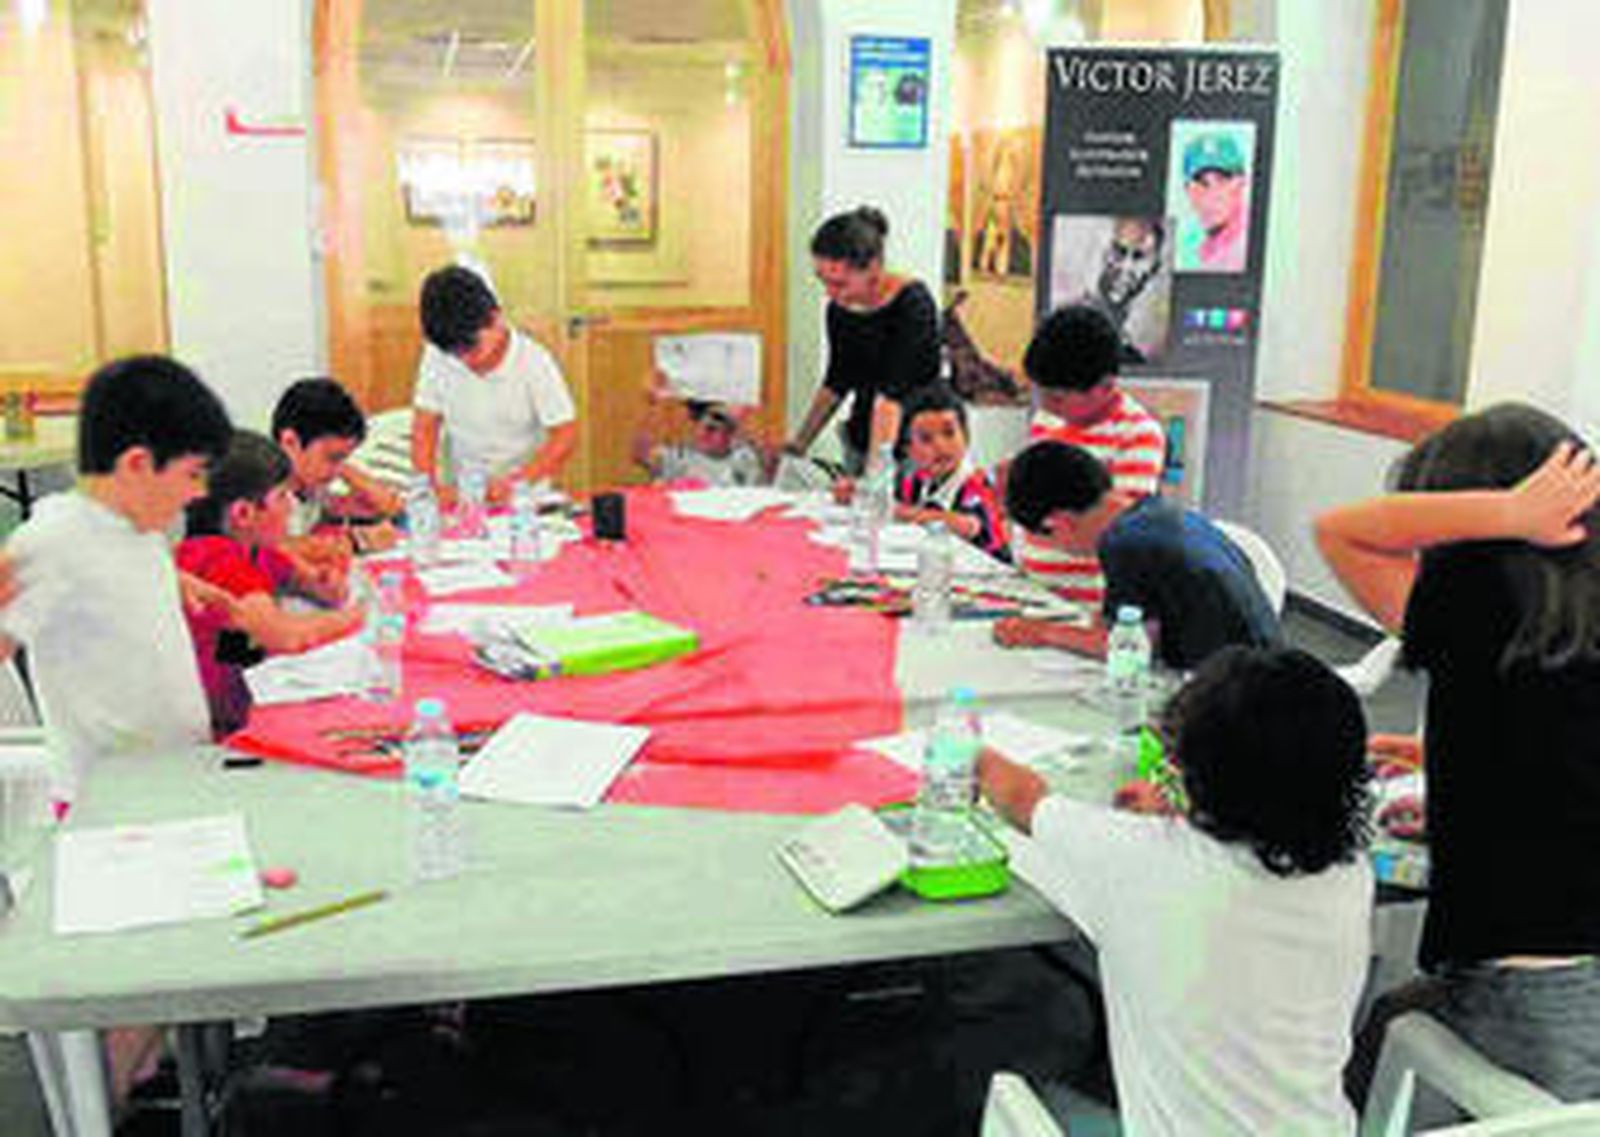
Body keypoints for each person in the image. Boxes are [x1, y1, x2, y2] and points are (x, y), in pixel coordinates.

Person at [1315, 403, 1600, 1101]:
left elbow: (1340, 530)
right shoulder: (1577, 616)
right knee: (1389, 1023)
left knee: (1382, 1042)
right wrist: (1455, 777)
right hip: (1570, 966)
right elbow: (1564, 756)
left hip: (1537, 987)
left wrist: (1506, 513)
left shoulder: (1470, 605)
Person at [979, 646, 1374, 1135]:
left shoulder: (1134, 859)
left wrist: (971, 750)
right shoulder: (1351, 873)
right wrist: (1184, 814)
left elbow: (1020, 798)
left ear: (1199, 776)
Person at [0, 355, 233, 796]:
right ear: (137, 465)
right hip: (103, 796)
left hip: (169, 776)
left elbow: (116, 586)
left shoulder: (142, 530)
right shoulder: (52, 540)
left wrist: (186, 587)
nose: (200, 492)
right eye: (193, 474)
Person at [994, 440, 1279, 669]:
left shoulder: (1123, 543)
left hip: (1233, 691)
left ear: (1057, 523)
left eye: (1049, 540)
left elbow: (1128, 648)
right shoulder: (1153, 513)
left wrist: (1041, 632)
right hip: (1266, 668)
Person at [177, 431, 366, 737]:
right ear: (243, 513)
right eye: (281, 497)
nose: (290, 508)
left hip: (243, 684)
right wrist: (356, 616)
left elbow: (314, 585)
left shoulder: (255, 549)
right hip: (218, 726)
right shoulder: (216, 559)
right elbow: (286, 637)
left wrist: (323, 580)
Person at [1011, 304, 1166, 608]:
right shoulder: (1047, 420)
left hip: (1089, 601)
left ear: (1105, 386)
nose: (1046, 405)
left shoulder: (1137, 433)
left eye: (1057, 397)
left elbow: (1117, 533)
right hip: (1033, 588)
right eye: (1041, 394)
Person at [783, 207, 941, 475]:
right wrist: (799, 444)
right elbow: (837, 380)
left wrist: (876, 472)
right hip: (862, 437)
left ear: (873, 267)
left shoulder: (913, 304)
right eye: (824, 281)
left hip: (916, 445)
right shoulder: (839, 310)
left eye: (840, 283)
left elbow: (892, 395)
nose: (830, 293)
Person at [411, 265, 578, 507]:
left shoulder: (533, 361)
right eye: (456, 354)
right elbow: (424, 428)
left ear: (496, 318)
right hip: (464, 494)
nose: (465, 361)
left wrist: (518, 482)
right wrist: (426, 489)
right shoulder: (438, 356)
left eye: (472, 348)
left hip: (525, 496)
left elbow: (565, 434)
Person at [833, 385, 1009, 562]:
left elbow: (965, 525)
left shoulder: (975, 482)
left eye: (949, 433)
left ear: (966, 436)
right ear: (908, 449)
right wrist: (858, 490)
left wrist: (900, 511)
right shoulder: (919, 480)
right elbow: (885, 495)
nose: (941, 446)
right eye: (926, 439)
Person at [272, 377, 403, 557]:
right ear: (290, 442)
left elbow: (391, 506)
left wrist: (342, 468)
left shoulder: (311, 488)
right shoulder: (264, 490)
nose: (336, 472)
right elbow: (270, 551)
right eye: (332, 457)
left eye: (344, 458)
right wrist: (357, 541)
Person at [632, 371, 769, 488]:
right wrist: (652, 404)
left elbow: (768, 465)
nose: (708, 435)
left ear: (731, 434)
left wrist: (743, 418)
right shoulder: (678, 457)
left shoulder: (743, 458)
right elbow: (641, 453)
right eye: (706, 427)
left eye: (717, 429)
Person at [1177, 132, 1249, 273]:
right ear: (1189, 192)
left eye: (1222, 181)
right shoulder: (1204, 251)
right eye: (1202, 184)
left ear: (1241, 184)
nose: (1212, 195)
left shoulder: (1242, 249)